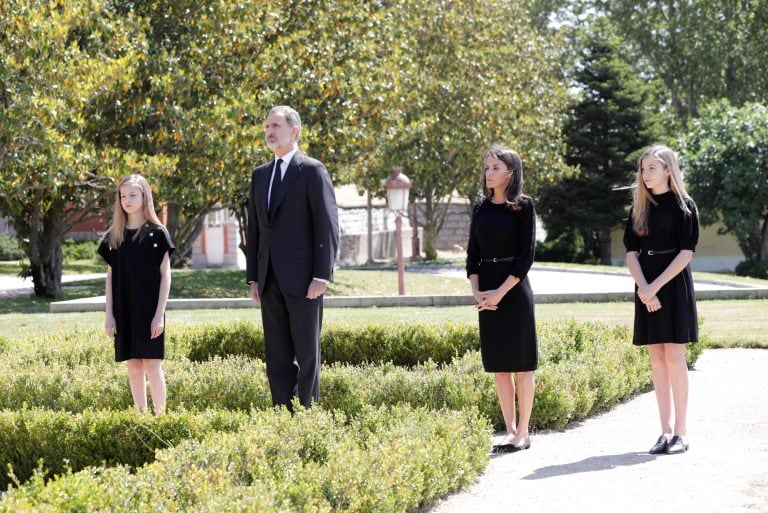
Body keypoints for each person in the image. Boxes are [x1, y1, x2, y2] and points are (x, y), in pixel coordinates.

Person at [246, 105, 339, 410]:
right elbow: (256, 229)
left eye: (275, 126)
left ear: (294, 130)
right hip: (269, 278)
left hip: (304, 280)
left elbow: (327, 225)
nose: (269, 132)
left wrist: (322, 275)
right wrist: (254, 277)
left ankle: (308, 416)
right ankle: (281, 415)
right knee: (277, 355)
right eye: (266, 127)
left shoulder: (312, 170)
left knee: (308, 354)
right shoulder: (260, 175)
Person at [623, 144, 699, 455]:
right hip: (646, 284)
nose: (645, 174)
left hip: (672, 283)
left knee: (674, 358)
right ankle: (664, 431)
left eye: (651, 168)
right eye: (643, 169)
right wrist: (644, 288)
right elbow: (630, 252)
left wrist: (654, 287)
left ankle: (681, 432)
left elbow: (686, 253)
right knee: (656, 359)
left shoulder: (685, 205)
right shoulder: (639, 207)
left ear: (668, 169)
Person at [466, 144, 538, 453]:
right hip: (486, 292)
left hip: (514, 290)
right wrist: (477, 291)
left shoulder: (524, 207)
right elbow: (472, 254)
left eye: (495, 167)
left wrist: (499, 292)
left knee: (522, 365)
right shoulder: (480, 206)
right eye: (487, 167)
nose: (489, 173)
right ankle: (509, 430)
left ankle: (523, 432)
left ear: (511, 173)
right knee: (499, 366)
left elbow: (526, 257)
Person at [98, 174, 174, 415]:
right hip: (124, 308)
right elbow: (110, 278)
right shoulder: (114, 237)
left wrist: (159, 314)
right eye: (123, 196)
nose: (127, 200)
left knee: (152, 364)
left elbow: (166, 275)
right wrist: (109, 315)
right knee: (133, 365)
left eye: (133, 195)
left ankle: (161, 417)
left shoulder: (157, 234)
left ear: (144, 197)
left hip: (150, 309)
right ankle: (140, 416)